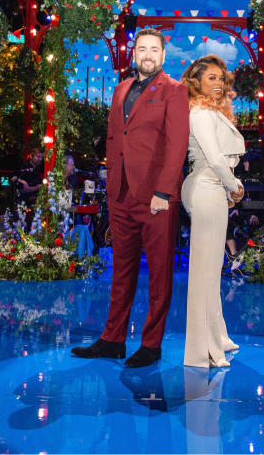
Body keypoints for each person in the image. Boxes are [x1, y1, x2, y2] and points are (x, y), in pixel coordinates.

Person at [72, 28, 189, 368]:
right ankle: (112, 339)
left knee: (159, 274)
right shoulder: (121, 89)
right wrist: (111, 184)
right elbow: (115, 138)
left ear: (163, 56)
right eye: (142, 48)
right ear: (133, 53)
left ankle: (151, 344)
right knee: (120, 271)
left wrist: (163, 192)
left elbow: (177, 145)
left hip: (156, 197)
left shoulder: (175, 91)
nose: (148, 54)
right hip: (121, 194)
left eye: (154, 49)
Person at [179, 54, 245, 368]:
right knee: (203, 272)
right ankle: (199, 349)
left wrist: (230, 186)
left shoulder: (210, 112)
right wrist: (234, 186)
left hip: (213, 186)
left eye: (221, 78)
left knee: (211, 271)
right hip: (206, 186)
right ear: (197, 83)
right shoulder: (200, 112)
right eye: (211, 78)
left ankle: (216, 338)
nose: (218, 84)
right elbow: (216, 159)